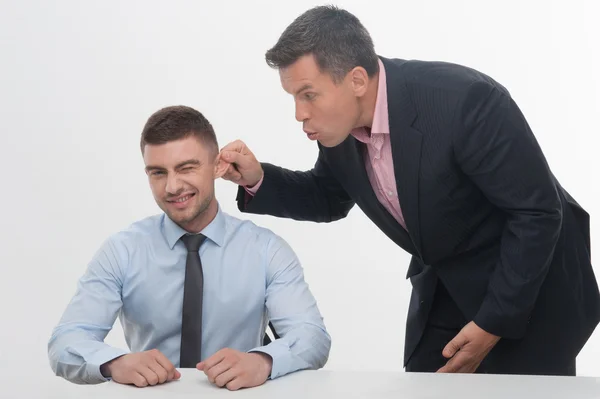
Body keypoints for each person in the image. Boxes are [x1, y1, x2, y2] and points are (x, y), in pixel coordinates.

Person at [219, 5, 600, 375]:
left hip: (533, 284)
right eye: (293, 98)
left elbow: (537, 213)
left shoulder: (465, 102)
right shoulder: (339, 130)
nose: (299, 113)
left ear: (356, 80)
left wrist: (492, 323)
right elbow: (328, 196)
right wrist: (255, 178)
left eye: (308, 94)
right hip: (448, 279)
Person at [48, 105, 331, 390]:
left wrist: (263, 361)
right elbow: (66, 341)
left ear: (218, 166)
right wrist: (114, 362)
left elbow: (312, 337)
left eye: (186, 168)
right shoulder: (122, 251)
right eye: (158, 173)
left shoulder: (266, 249)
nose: (172, 186)